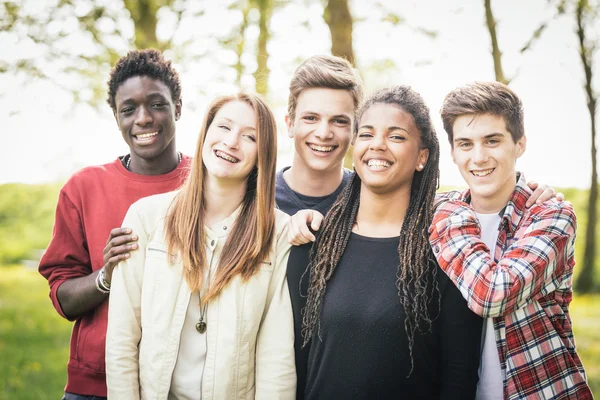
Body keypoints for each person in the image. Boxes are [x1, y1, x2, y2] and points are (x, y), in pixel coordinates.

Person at [293, 86, 483, 399]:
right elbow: (296, 363)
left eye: (396, 137)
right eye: (366, 134)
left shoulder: (446, 250)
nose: (377, 145)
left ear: (422, 156)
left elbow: (459, 376)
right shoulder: (316, 242)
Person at [105, 92, 296, 399]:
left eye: (249, 136)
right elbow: (122, 339)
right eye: (223, 127)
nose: (231, 142)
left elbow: (276, 357)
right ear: (205, 133)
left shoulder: (277, 232)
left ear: (264, 153)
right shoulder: (146, 217)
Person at [38, 49, 190, 400]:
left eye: (156, 104)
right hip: (97, 387)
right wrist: (107, 275)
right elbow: (62, 296)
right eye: (129, 109)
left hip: (184, 384)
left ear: (177, 107)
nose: (143, 119)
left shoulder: (209, 183)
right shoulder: (83, 189)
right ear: (116, 117)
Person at [430, 81, 593, 399]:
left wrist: (447, 212)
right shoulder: (437, 213)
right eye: (465, 144)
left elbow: (493, 294)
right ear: (452, 151)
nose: (478, 157)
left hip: (538, 390)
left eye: (492, 141)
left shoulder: (550, 216)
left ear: (520, 144)